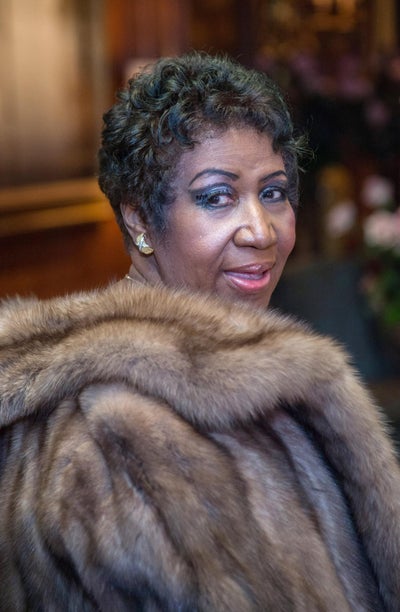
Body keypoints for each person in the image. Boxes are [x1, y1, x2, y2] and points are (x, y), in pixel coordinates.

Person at [0, 52, 399, 611]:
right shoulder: (112, 438)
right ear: (140, 219)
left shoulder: (256, 375)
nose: (261, 231)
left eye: (273, 192)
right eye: (217, 197)